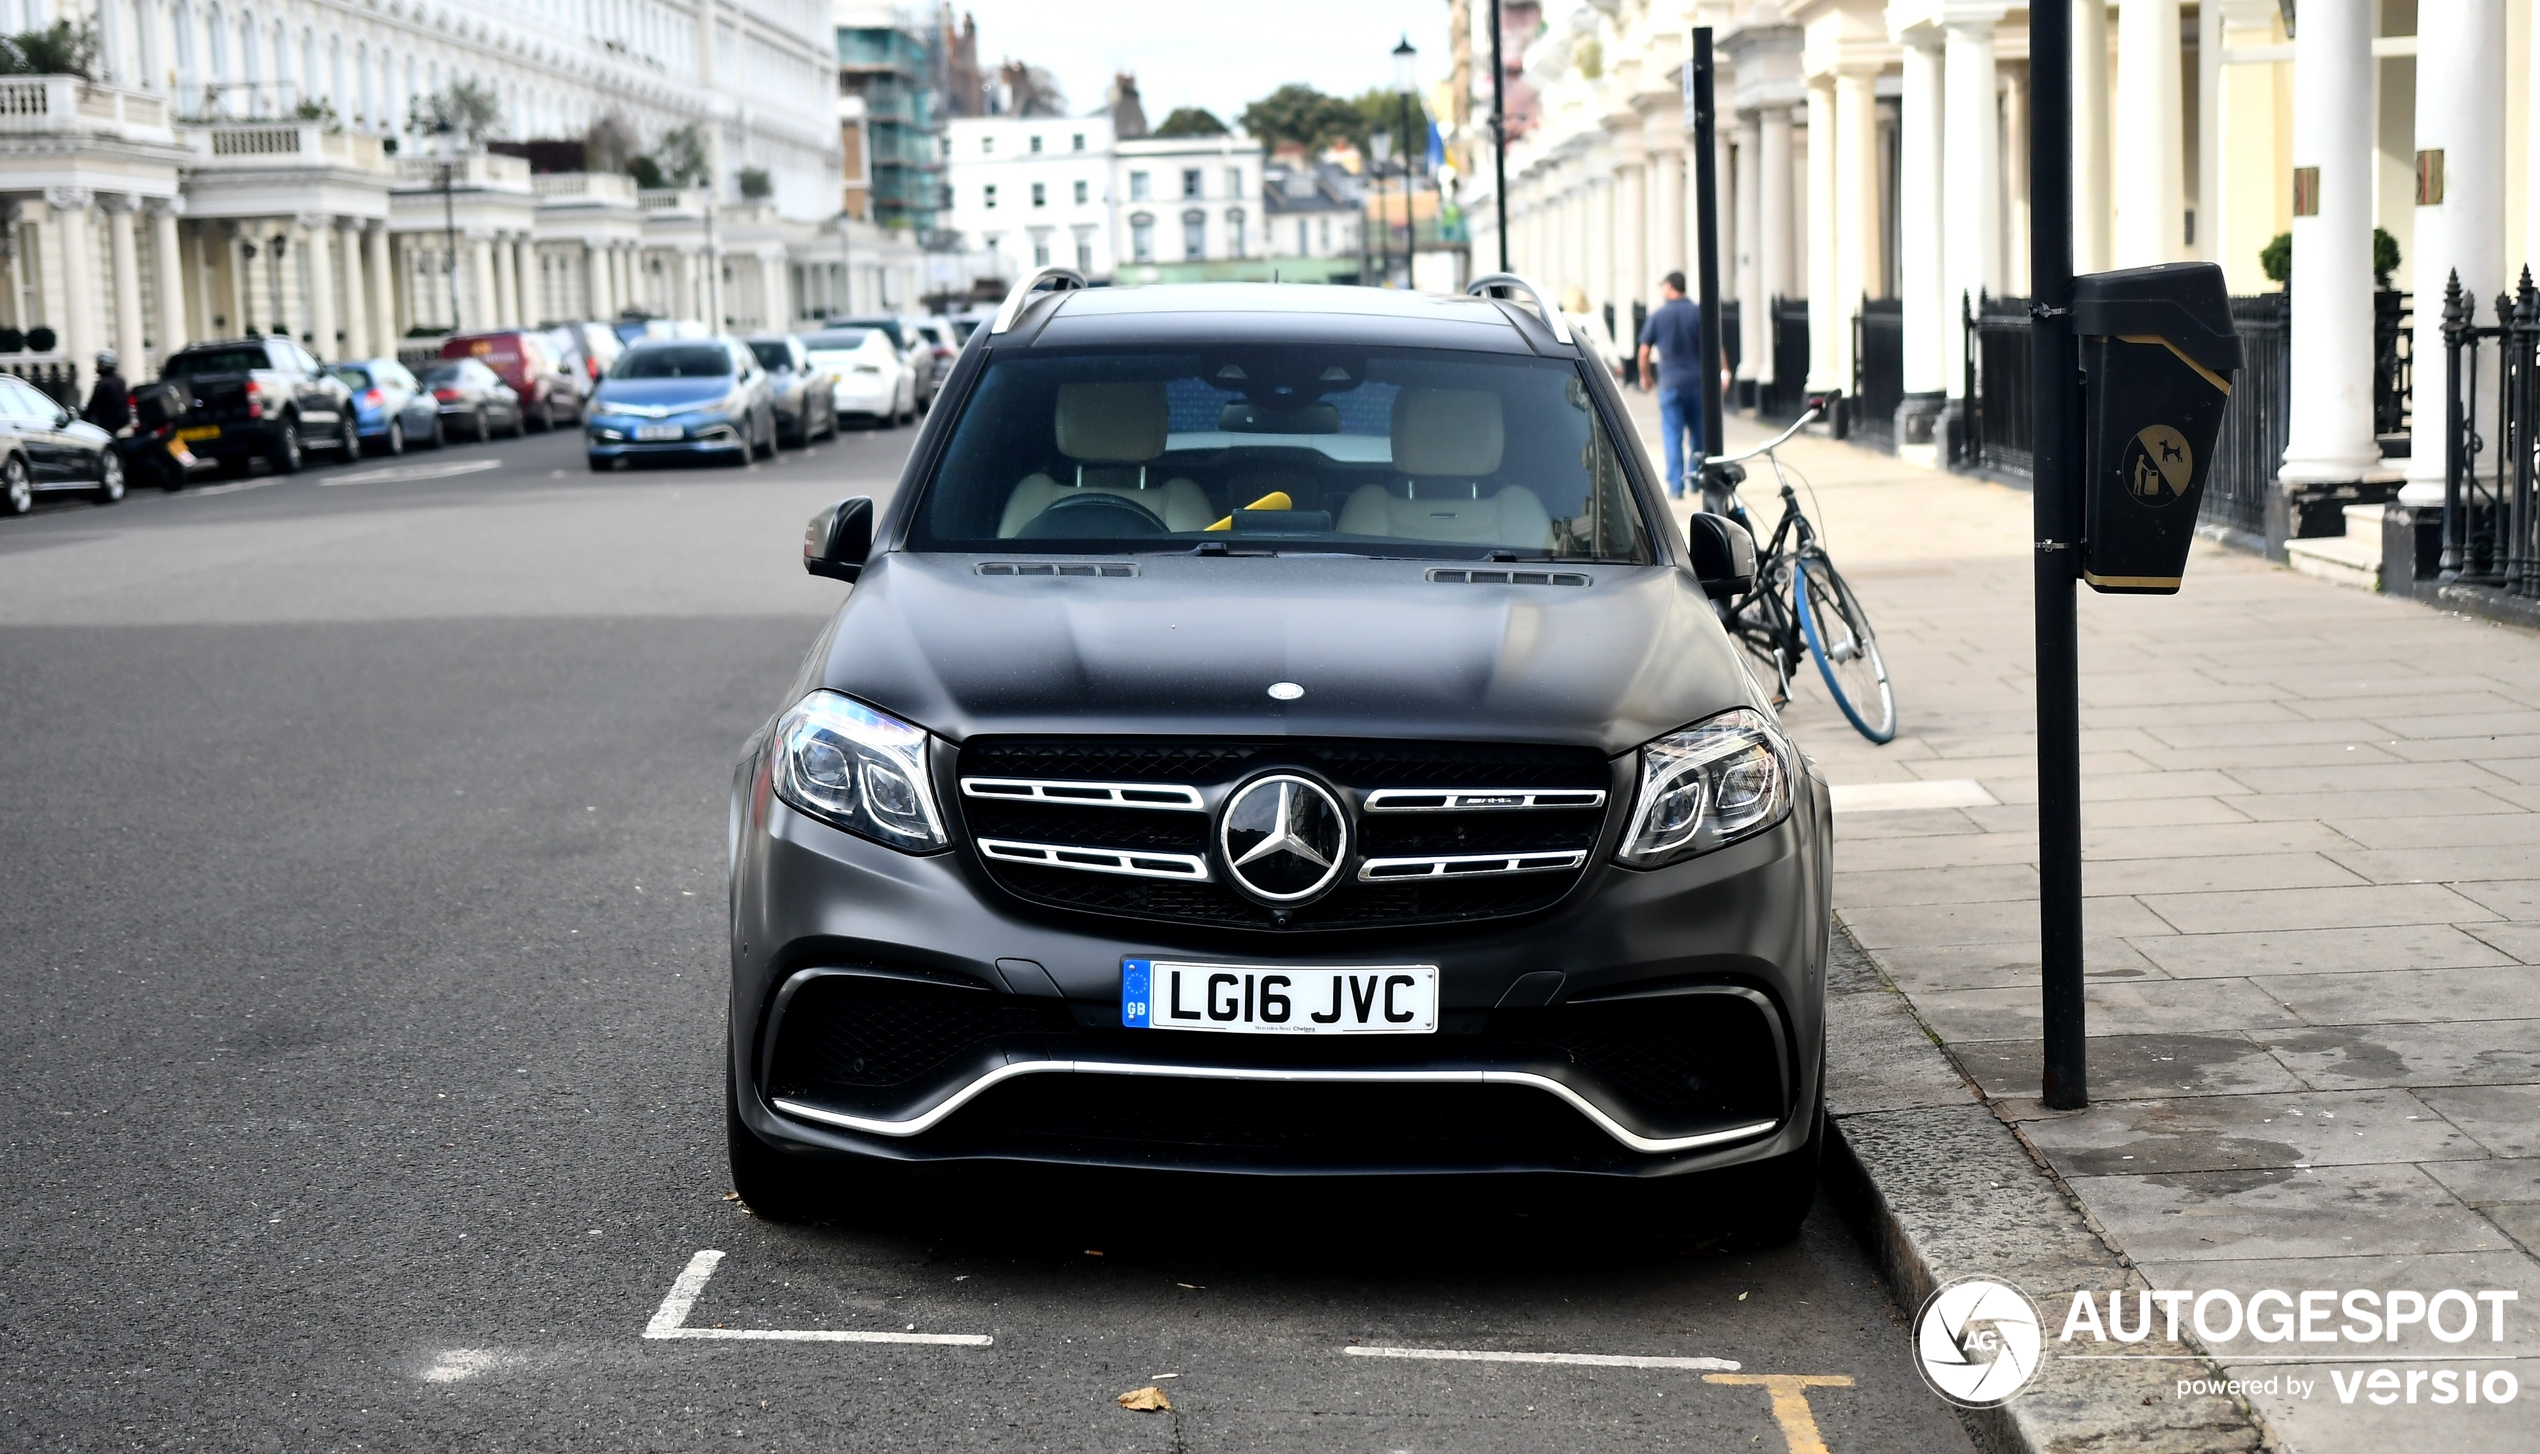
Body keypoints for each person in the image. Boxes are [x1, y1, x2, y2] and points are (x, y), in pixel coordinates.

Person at [1636, 273, 1705, 499]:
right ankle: (1695, 478)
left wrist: (1645, 377)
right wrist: (1723, 371)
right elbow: (1715, 345)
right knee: (1699, 434)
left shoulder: (1658, 315)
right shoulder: (1697, 313)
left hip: (1671, 383)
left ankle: (1676, 485)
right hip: (1697, 382)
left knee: (1672, 434)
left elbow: (1644, 351)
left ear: (1669, 286)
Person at [83, 350, 131, 433]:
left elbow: (93, 404)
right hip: (121, 423)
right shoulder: (120, 380)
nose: (96, 366)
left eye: (99, 364)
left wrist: (84, 418)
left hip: (107, 424)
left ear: (105, 365)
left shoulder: (103, 384)